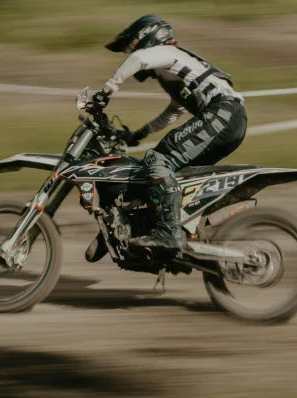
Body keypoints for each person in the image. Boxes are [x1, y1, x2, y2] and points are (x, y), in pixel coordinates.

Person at [86, 15, 248, 260]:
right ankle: (138, 227)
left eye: (131, 46)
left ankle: (169, 233)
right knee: (168, 175)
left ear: (148, 38)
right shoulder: (170, 74)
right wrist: (139, 133)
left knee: (157, 159)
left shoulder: (167, 53)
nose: (129, 52)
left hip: (224, 113)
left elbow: (139, 58)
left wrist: (107, 90)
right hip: (228, 119)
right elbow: (174, 111)